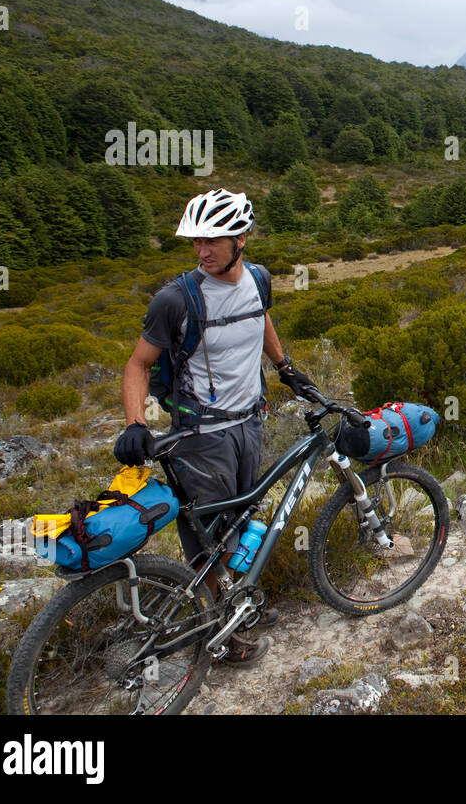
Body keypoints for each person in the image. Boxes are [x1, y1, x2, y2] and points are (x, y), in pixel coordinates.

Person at [113, 188, 315, 666]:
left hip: (250, 423)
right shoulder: (176, 299)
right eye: (196, 242)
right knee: (210, 536)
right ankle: (215, 637)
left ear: (242, 238)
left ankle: (228, 610)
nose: (202, 252)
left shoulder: (260, 280)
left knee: (238, 526)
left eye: (213, 242)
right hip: (200, 435)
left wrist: (285, 367)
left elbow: (259, 316)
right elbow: (138, 365)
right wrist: (135, 423)